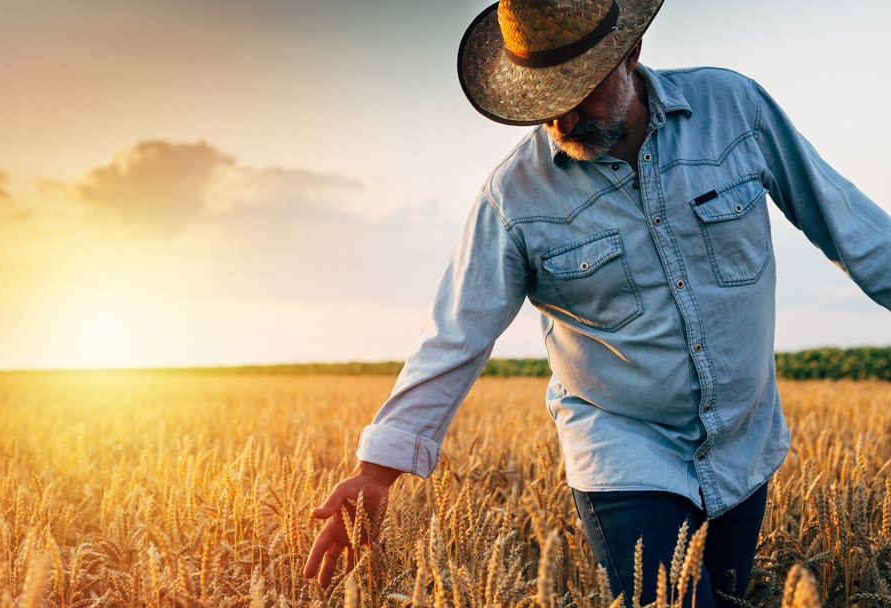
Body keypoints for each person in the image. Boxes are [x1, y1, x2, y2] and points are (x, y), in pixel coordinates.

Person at [302, 0, 891, 606]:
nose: (563, 117)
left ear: (629, 55)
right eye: (542, 102)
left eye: (578, 91)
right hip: (623, 450)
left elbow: (846, 220)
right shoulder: (514, 198)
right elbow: (455, 333)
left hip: (742, 445)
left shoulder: (733, 110)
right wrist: (378, 471)